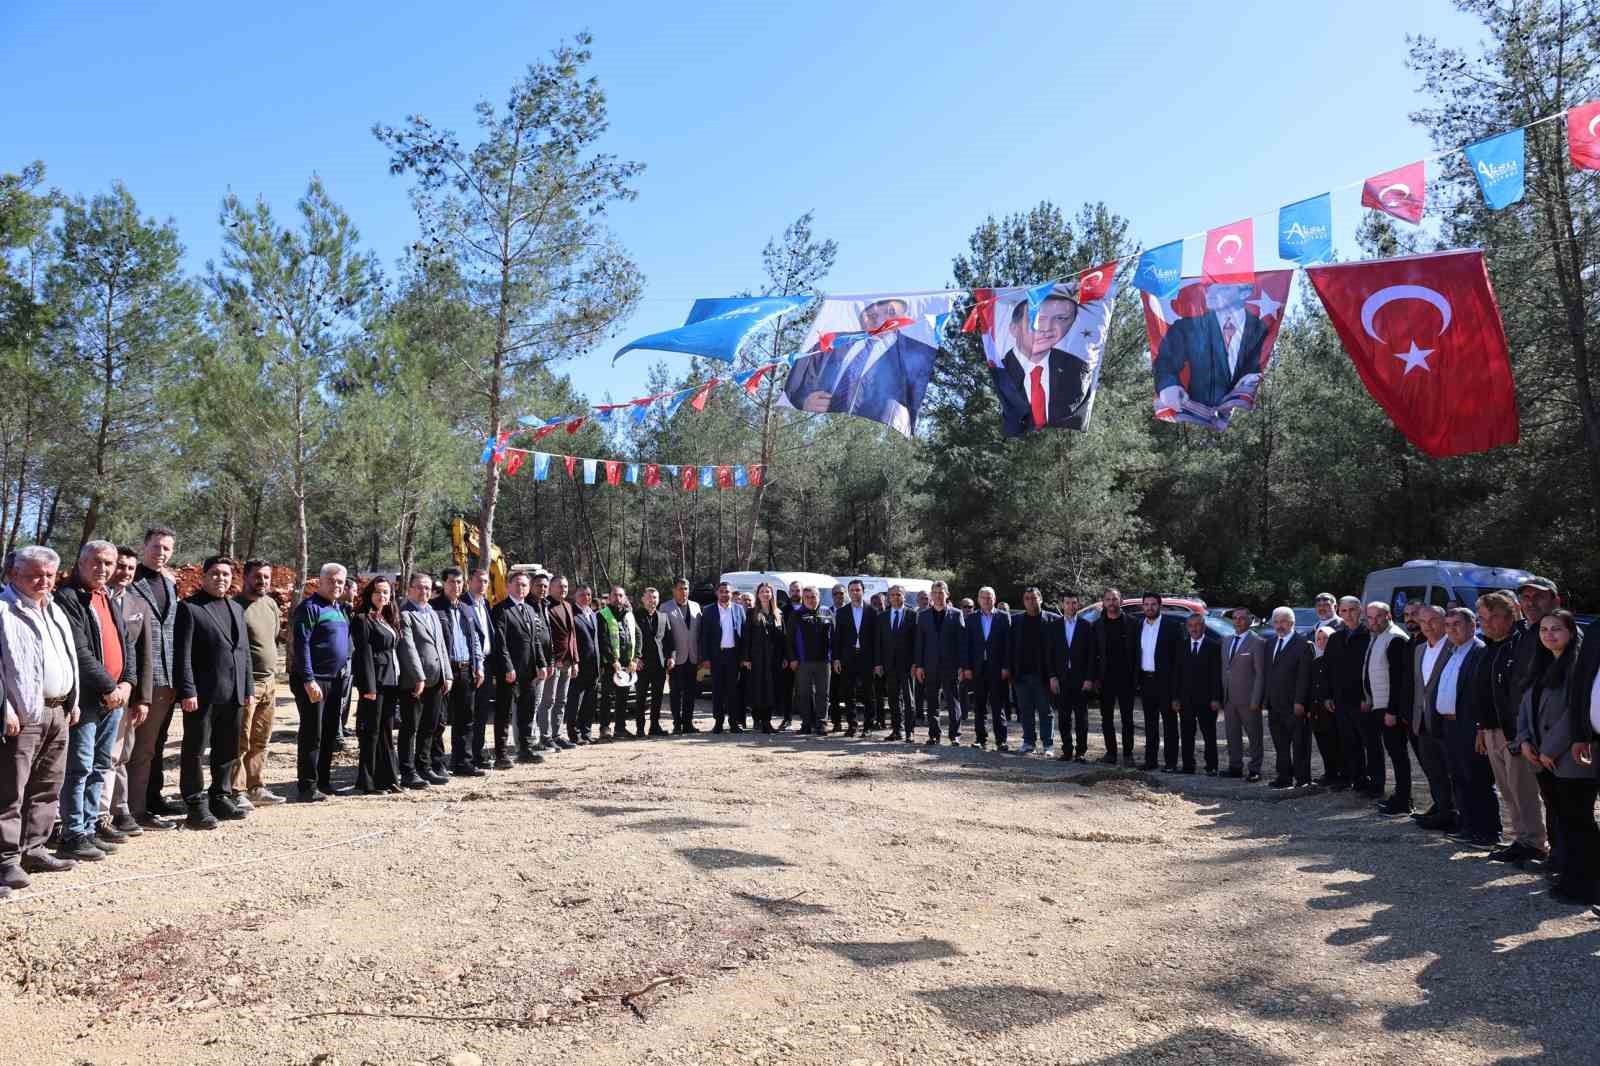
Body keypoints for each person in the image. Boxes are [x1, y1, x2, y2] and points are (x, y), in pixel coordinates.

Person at [0, 546, 80, 892]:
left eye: (48, 574)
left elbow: (67, 656)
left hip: (58, 710)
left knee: (47, 786)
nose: (43, 580)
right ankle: (5, 860)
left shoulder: (55, 610)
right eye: (34, 574)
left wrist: (72, 700)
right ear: (13, 574)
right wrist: (4, 708)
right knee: (9, 791)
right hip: (22, 713)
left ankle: (33, 848)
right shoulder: (3, 610)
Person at [52, 541, 132, 860]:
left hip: (114, 698)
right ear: (81, 562)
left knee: (101, 765)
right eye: (96, 562)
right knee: (79, 767)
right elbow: (80, 651)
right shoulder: (68, 597)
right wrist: (109, 686)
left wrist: (128, 683)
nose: (103, 568)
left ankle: (88, 826)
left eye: (109, 563)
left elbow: (124, 643)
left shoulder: (106, 596)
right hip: (88, 699)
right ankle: (72, 833)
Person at [1515, 610, 1596, 905]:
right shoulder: (1540, 664)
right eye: (1544, 629)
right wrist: (1523, 739)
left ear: (1572, 633)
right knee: (1561, 820)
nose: (1549, 634)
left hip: (1569, 758)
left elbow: (1575, 713)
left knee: (1579, 821)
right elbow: (1526, 705)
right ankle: (1568, 875)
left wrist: (1549, 749)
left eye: (1556, 629)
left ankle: (1586, 884)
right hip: (1540, 757)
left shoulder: (1579, 668)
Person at [172, 556, 254, 830]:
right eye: (216, 574)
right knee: (195, 750)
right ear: (203, 576)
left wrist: (248, 687)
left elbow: (243, 653)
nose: (221, 578)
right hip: (202, 695)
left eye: (226, 574)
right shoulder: (189, 608)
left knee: (228, 748)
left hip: (234, 694)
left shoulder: (236, 608)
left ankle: (221, 796)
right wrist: (187, 690)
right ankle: (195, 804)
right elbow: (181, 654)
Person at [784, 297, 937, 435]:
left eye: (890, 312)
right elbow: (798, 378)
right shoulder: (832, 341)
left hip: (870, 438)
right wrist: (803, 399)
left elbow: (911, 404)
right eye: (878, 304)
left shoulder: (908, 357)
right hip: (817, 432)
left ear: (898, 324)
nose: (878, 311)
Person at [1474, 591, 1547, 864]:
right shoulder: (1489, 648)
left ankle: (1536, 843)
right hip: (1492, 730)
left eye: (1494, 617)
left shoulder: (1520, 645)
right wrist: (1482, 727)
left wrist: (1521, 733)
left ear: (1510, 615)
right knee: (1507, 790)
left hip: (1515, 732)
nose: (1488, 623)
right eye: (1483, 618)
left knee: (1523, 790)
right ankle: (1520, 838)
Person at [124, 526, 180, 828]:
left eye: (167, 549)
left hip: (168, 679)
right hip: (144, 679)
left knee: (156, 744)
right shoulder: (132, 582)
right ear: (144, 547)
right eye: (156, 547)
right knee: (140, 749)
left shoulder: (169, 585)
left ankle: (151, 798)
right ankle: (134, 810)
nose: (161, 553)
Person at [98, 545, 153, 838]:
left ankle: (120, 809)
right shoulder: (93, 600)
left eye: (131, 569)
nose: (125, 573)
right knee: (95, 757)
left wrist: (142, 698)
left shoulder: (137, 606)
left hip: (127, 694)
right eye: (121, 566)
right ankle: (96, 815)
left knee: (121, 754)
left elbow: (145, 655)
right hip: (96, 694)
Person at [288, 563, 352, 802]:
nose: (337, 586)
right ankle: (307, 786)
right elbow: (301, 645)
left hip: (336, 680)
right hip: (314, 681)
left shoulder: (339, 609)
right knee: (311, 733)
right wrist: (308, 679)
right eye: (332, 581)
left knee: (328, 734)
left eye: (340, 582)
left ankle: (323, 781)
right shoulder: (309, 608)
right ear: (320, 582)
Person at [1152, 281, 1267, 413]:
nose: (1210, 293)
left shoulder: (1263, 330)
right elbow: (1165, 362)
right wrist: (1168, 385)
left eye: (1224, 288)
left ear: (1244, 293)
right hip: (1198, 416)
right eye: (1208, 287)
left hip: (1248, 418)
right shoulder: (1187, 328)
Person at [1439, 607, 1501, 848]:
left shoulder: (1480, 651)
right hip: (1451, 726)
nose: (1452, 629)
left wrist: (1480, 727)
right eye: (1448, 624)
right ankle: (1469, 826)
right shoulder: (1453, 652)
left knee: (1479, 779)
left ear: (1473, 625)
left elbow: (1482, 694)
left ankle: (1488, 832)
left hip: (1471, 726)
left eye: (1457, 624)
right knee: (1460, 778)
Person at [993, 291, 1095, 436]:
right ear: (1014, 329)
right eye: (1037, 319)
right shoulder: (998, 372)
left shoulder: (1077, 369)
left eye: (1060, 318)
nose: (1048, 328)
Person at [233, 560, 284, 808]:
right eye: (257, 576)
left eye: (266, 577)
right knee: (240, 740)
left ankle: (256, 786)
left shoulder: (271, 604)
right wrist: (244, 685)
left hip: (270, 682)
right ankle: (236, 790)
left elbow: (273, 638)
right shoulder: (235, 607)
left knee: (261, 739)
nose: (262, 581)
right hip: (247, 685)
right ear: (245, 577)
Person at [349, 576, 402, 794]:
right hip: (375, 684)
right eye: (378, 592)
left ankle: (387, 778)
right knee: (371, 732)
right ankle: (367, 782)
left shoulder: (385, 618)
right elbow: (364, 655)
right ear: (370, 594)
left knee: (386, 731)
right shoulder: (362, 619)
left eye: (386, 592)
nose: (382, 596)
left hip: (390, 681)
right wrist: (368, 687)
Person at [490, 571, 548, 766]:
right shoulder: (501, 610)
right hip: (509, 672)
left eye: (524, 585)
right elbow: (500, 642)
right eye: (517, 584)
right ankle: (501, 753)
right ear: (508, 586)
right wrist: (507, 666)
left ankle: (525, 749)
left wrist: (541, 664)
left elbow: (536, 641)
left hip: (529, 671)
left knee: (527, 711)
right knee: (504, 712)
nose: (521, 588)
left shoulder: (531, 610)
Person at [398, 570, 451, 786]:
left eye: (428, 587)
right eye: (419, 587)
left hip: (436, 680)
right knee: (410, 727)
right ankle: (408, 771)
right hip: (415, 682)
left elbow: (441, 647)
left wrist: (447, 674)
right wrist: (419, 677)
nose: (424, 591)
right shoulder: (405, 614)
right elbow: (408, 648)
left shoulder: (432, 612)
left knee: (430, 726)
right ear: (410, 589)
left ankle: (424, 766)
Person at [430, 566, 484, 776]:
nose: (456, 586)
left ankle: (463, 762)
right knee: (439, 719)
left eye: (460, 582)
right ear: (444, 583)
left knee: (465, 719)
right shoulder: (434, 608)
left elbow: (475, 639)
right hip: (444, 671)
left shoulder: (466, 608)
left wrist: (478, 666)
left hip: (466, 669)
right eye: (452, 582)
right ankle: (437, 763)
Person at [1363, 601, 1415, 815]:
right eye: (1370, 617)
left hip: (1388, 708)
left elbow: (1398, 680)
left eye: (1378, 617)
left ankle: (1404, 800)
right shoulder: (1377, 637)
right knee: (1391, 753)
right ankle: (1398, 796)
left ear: (1388, 616)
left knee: (1398, 754)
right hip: (1378, 705)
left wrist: (1392, 710)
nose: (1373, 621)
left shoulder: (1395, 639)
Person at [1411, 605, 1458, 831]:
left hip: (1446, 721)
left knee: (1452, 770)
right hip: (1423, 720)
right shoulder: (1419, 649)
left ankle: (1457, 814)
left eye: (1433, 620)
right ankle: (1442, 809)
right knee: (1433, 769)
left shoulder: (1453, 647)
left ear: (1443, 621)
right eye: (1423, 621)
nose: (1428, 626)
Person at [1324, 597, 1371, 795]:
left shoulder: (1369, 635)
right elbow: (1327, 668)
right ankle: (1352, 778)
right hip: (1340, 700)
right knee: (1347, 742)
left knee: (1367, 743)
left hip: (1362, 700)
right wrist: (1327, 695)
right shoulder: (1335, 638)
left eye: (1352, 610)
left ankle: (1370, 781)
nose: (1349, 614)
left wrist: (1367, 697)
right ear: (1340, 613)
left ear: (1360, 611)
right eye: (1344, 611)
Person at [1262, 607, 1313, 789]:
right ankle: (1284, 777)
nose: (1279, 625)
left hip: (1294, 704)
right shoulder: (1269, 643)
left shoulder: (1303, 644)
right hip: (1274, 704)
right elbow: (1268, 673)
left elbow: (1304, 676)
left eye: (1283, 621)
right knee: (1280, 744)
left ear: (1292, 623)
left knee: (1300, 744)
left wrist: (1300, 701)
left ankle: (1303, 779)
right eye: (1276, 622)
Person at [1091, 589, 1140, 766]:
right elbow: (1093, 654)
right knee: (1106, 719)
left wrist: (1136, 678)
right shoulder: (1097, 625)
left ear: (1121, 601)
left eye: (1115, 599)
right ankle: (1111, 753)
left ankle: (1128, 754)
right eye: (1108, 599)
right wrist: (1094, 678)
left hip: (1126, 678)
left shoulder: (1133, 623)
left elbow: (1137, 653)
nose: (1111, 602)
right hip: (1105, 679)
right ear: (1103, 602)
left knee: (1127, 718)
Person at [1136, 594, 1184, 772]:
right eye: (1146, 604)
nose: (1149, 607)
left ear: (1159, 606)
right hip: (1146, 680)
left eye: (1153, 604)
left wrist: (1176, 689)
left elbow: (1178, 660)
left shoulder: (1172, 627)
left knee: (1170, 724)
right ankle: (1151, 761)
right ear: (1143, 607)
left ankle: (1171, 763)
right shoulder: (1138, 625)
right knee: (1150, 724)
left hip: (1166, 682)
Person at [914, 581, 965, 745]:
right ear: (931, 595)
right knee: (932, 701)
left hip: (950, 666)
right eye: (935, 592)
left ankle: (955, 735)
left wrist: (962, 666)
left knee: (953, 701)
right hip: (930, 665)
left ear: (947, 594)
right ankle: (934, 734)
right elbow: (919, 643)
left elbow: (961, 642)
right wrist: (919, 665)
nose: (938, 595)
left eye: (941, 592)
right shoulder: (923, 615)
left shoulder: (956, 614)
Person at [1048, 591, 1097, 762]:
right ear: (1062, 604)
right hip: (1061, 678)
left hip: (1081, 679)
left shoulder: (1086, 626)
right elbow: (1050, 654)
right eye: (1067, 603)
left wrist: (1089, 678)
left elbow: (1092, 655)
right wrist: (1052, 677)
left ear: (1078, 604)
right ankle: (1067, 750)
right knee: (1063, 717)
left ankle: (1081, 751)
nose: (1071, 606)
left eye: (1074, 603)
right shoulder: (1054, 626)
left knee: (1081, 718)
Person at [1173, 612, 1224, 775]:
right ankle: (1188, 766)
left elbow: (1217, 675)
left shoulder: (1214, 646)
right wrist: (1175, 697)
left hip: (1207, 699)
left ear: (1204, 626)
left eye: (1198, 625)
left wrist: (1216, 698)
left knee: (1209, 734)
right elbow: (1176, 674)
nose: (1194, 629)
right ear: (1187, 628)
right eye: (1191, 626)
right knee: (1187, 734)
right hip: (1185, 699)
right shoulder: (1181, 645)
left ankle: (1211, 766)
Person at [962, 586, 1012, 751]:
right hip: (977, 669)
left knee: (998, 706)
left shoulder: (1004, 618)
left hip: (997, 669)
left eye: (989, 597)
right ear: (978, 600)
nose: (986, 600)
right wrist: (967, 667)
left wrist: (1006, 666)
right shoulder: (971, 619)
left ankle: (1001, 741)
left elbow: (1008, 646)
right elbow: (967, 646)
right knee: (979, 706)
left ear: (994, 599)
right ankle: (980, 739)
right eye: (983, 597)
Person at [1220, 608, 1267, 780]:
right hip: (1229, 698)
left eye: (1242, 618)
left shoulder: (1258, 642)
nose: (1238, 621)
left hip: (1249, 699)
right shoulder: (1226, 640)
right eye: (1235, 618)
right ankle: (1235, 767)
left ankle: (1255, 769)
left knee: (1254, 735)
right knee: (1232, 734)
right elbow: (1225, 669)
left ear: (1250, 620)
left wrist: (1257, 699)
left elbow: (1260, 674)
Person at [1007, 588, 1054, 756]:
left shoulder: (1053, 620)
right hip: (1021, 675)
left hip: (1043, 675)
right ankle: (1028, 742)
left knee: (1045, 711)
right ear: (1023, 601)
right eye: (1027, 598)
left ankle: (1048, 745)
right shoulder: (1015, 621)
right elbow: (1010, 648)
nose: (1030, 601)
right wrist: (1010, 671)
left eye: (1034, 598)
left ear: (1040, 599)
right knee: (1025, 711)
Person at [698, 581, 746, 735]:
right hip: (716, 656)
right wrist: (705, 658)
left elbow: (744, 636)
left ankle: (733, 722)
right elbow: (704, 636)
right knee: (717, 691)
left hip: (733, 655)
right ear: (717, 593)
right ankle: (718, 722)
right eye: (722, 591)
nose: (725, 594)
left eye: (728, 591)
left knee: (733, 691)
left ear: (732, 594)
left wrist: (744, 657)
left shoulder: (739, 610)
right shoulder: (708, 610)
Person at [461, 568, 497, 770]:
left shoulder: (486, 604)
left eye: (485, 581)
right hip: (471, 665)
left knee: (482, 712)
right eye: (479, 581)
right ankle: (465, 756)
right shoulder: (463, 604)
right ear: (469, 581)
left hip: (487, 663)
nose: (482, 584)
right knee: (469, 712)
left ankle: (477, 753)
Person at [831, 579, 877, 738]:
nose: (855, 593)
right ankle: (852, 725)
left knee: (867, 693)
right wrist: (836, 658)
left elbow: (876, 639)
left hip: (866, 657)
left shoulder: (872, 611)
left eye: (858, 590)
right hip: (848, 658)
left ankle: (868, 726)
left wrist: (877, 662)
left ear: (863, 591)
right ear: (848, 593)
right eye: (852, 590)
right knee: (848, 693)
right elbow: (837, 637)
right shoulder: (842, 612)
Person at [597, 586, 641, 740]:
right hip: (610, 665)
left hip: (627, 665)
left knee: (623, 698)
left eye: (620, 595)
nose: (617, 598)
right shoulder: (602, 615)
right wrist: (612, 660)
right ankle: (604, 728)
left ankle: (620, 728)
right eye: (614, 595)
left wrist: (635, 659)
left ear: (625, 597)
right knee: (607, 698)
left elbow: (638, 636)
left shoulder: (629, 615)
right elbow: (602, 641)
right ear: (609, 598)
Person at [875, 585, 917, 743]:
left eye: (898, 595)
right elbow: (878, 642)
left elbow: (916, 642)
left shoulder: (913, 615)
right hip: (889, 664)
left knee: (908, 699)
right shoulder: (882, 617)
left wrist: (916, 663)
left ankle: (909, 731)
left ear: (904, 597)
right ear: (888, 597)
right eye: (892, 595)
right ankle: (896, 730)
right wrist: (878, 663)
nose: (895, 597)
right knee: (893, 699)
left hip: (907, 665)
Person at [541, 575, 579, 750]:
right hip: (553, 662)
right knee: (548, 700)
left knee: (561, 701)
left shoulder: (568, 606)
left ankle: (557, 734)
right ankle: (545, 736)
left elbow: (572, 635)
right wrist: (550, 660)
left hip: (568, 661)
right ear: (550, 587)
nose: (563, 590)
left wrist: (575, 660)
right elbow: (543, 637)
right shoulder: (545, 606)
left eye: (565, 586)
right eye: (559, 586)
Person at [789, 586, 832, 735]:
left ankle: (821, 723)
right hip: (803, 661)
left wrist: (834, 657)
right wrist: (793, 658)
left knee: (823, 693)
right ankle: (806, 724)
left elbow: (834, 636)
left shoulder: (827, 612)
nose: (810, 599)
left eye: (813, 596)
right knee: (804, 693)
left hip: (824, 661)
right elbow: (789, 639)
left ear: (818, 597)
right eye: (806, 597)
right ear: (803, 598)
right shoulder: (796, 614)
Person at [661, 578, 702, 736]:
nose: (683, 591)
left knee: (690, 693)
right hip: (675, 659)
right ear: (674, 590)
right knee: (675, 693)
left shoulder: (696, 606)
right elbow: (663, 635)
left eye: (685, 588)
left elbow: (698, 633)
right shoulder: (665, 608)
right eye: (680, 588)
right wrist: (667, 656)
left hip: (692, 657)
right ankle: (677, 723)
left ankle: (688, 723)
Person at [744, 582, 785, 733]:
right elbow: (746, 636)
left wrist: (785, 657)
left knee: (771, 690)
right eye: (762, 591)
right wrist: (746, 658)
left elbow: (783, 637)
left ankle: (767, 721)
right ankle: (759, 720)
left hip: (774, 658)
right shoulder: (751, 613)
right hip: (757, 658)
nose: (765, 594)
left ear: (772, 594)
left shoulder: (778, 614)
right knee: (758, 689)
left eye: (768, 591)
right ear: (758, 594)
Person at [634, 587, 674, 736]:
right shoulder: (634, 616)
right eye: (649, 597)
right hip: (641, 664)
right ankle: (639, 728)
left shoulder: (663, 617)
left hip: (659, 664)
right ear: (643, 599)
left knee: (657, 698)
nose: (652, 601)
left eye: (655, 598)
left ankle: (654, 726)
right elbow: (631, 639)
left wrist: (671, 657)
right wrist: (635, 659)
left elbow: (669, 640)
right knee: (641, 698)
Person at [1308, 626, 1343, 787]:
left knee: (1337, 744)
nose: (1322, 642)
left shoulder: (1337, 660)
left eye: (1326, 638)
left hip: (1333, 710)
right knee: (1323, 744)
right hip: (1317, 711)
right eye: (1319, 639)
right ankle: (1329, 773)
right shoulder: (1315, 661)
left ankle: (1341, 775)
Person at [570, 584, 602, 743]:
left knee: (590, 703)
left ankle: (586, 733)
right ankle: (574, 734)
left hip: (594, 666)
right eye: (582, 595)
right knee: (576, 702)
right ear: (575, 596)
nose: (586, 598)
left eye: (589, 595)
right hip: (579, 666)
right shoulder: (572, 614)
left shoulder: (593, 614)